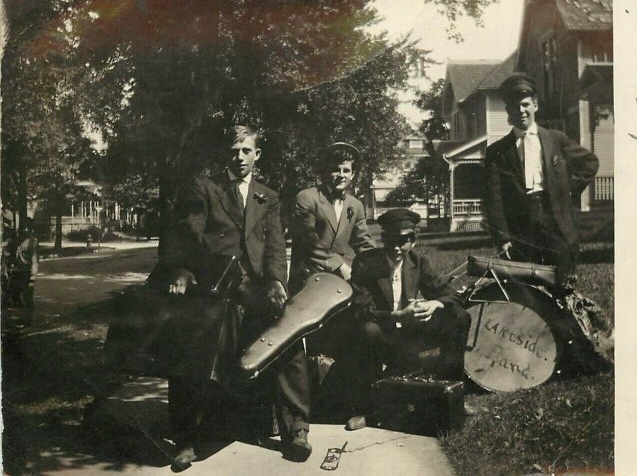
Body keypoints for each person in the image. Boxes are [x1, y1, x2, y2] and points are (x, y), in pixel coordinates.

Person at [163, 125, 311, 470]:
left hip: (257, 290)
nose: (240, 157)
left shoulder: (268, 196)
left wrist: (276, 281)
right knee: (196, 347)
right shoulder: (206, 188)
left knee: (288, 340)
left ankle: (296, 430)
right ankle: (188, 439)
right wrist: (185, 269)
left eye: (246, 150)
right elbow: (190, 233)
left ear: (257, 154)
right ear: (226, 153)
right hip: (216, 283)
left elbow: (275, 246)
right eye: (234, 150)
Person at [340, 209, 470, 430]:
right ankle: (369, 410)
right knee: (367, 330)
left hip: (411, 333)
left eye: (404, 241)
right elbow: (360, 309)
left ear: (414, 240)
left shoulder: (418, 262)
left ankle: (452, 395)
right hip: (381, 331)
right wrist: (396, 315)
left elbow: (451, 295)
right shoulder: (365, 263)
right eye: (391, 240)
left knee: (459, 316)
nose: (397, 248)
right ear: (383, 238)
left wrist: (433, 304)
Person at [484, 73, 599, 294]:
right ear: (508, 111)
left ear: (535, 105)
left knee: (562, 283)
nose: (521, 111)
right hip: (521, 226)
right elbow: (494, 198)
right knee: (526, 290)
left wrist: (565, 190)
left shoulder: (556, 139)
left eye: (526, 104)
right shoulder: (497, 152)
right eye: (515, 106)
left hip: (555, 219)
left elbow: (589, 162)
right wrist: (503, 238)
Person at [288, 142, 374, 294]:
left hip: (342, 284)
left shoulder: (355, 205)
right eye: (335, 170)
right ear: (325, 172)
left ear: (352, 174)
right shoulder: (307, 198)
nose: (341, 175)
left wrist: (379, 264)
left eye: (346, 170)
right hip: (309, 280)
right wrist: (339, 266)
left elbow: (363, 242)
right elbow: (307, 242)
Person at [8, 217, 38, 327]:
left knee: (27, 298)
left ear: (30, 228)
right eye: (24, 226)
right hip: (17, 272)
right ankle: (21, 319)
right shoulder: (19, 241)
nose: (25, 229)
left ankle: (27, 321)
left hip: (26, 273)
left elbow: (35, 260)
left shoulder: (33, 242)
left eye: (27, 227)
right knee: (15, 297)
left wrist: (33, 277)